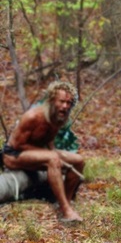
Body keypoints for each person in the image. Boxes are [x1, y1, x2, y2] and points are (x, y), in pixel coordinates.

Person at [1, 81, 85, 222]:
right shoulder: (33, 116)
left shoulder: (58, 117)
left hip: (34, 153)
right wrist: (51, 156)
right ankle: (66, 211)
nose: (65, 106)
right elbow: (17, 145)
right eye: (62, 101)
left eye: (69, 103)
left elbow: (47, 138)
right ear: (52, 100)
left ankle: (64, 202)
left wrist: (53, 153)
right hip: (13, 156)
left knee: (79, 160)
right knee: (52, 159)